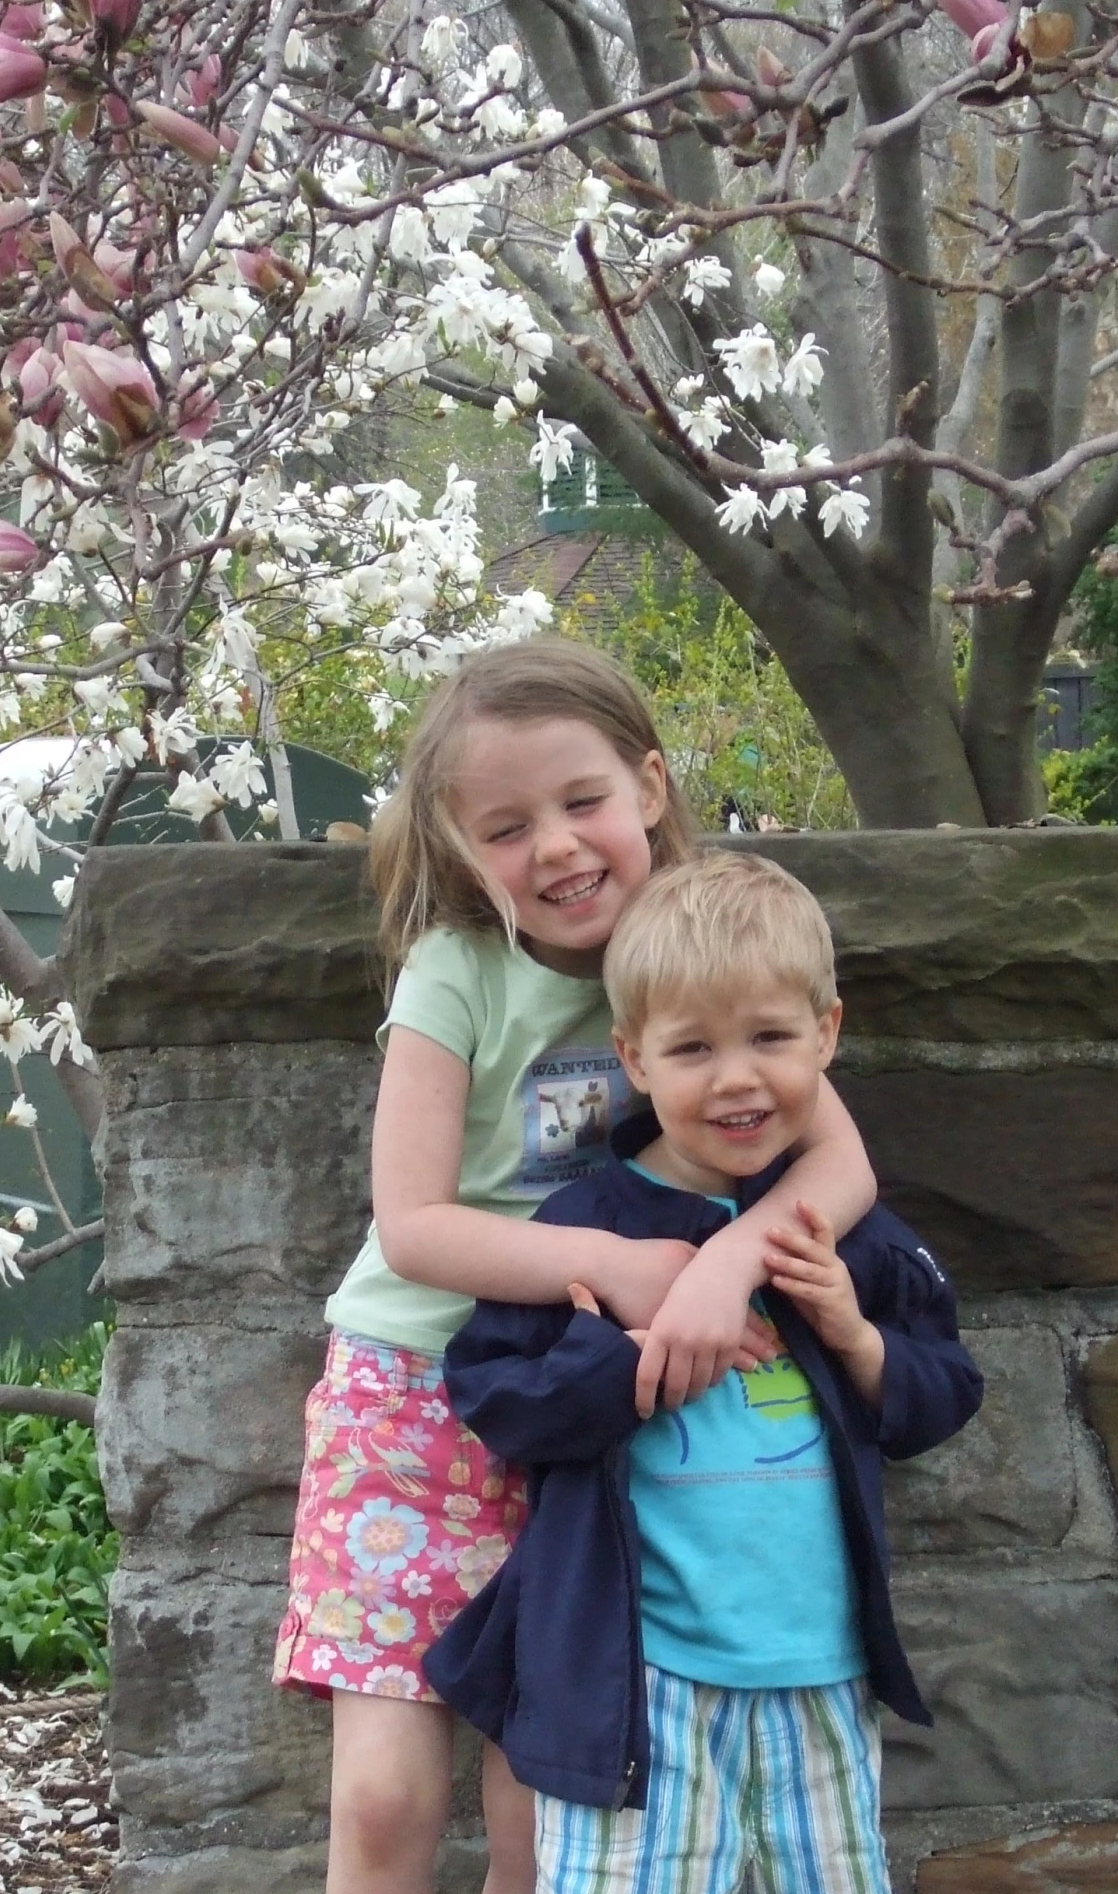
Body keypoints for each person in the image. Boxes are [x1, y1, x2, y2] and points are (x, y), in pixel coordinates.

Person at [272, 642, 879, 1894]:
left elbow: (843, 1162)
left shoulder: (696, 942)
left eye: (581, 801)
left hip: (581, 1414)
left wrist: (723, 1268)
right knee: (386, 1796)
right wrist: (611, 1257)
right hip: (413, 1403)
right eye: (507, 824)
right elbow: (413, 1225)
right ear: (456, 842)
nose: (555, 846)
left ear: (650, 785)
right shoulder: (459, 971)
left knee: (540, 1798)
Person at [424, 853, 982, 1894]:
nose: (737, 1077)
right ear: (633, 1057)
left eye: (771, 1036)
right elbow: (497, 1400)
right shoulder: (587, 1224)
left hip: (820, 1675)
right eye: (693, 1047)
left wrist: (856, 1336)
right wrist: (626, 1357)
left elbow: (944, 1388)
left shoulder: (839, 1232)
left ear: (827, 1031)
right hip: (636, 1688)